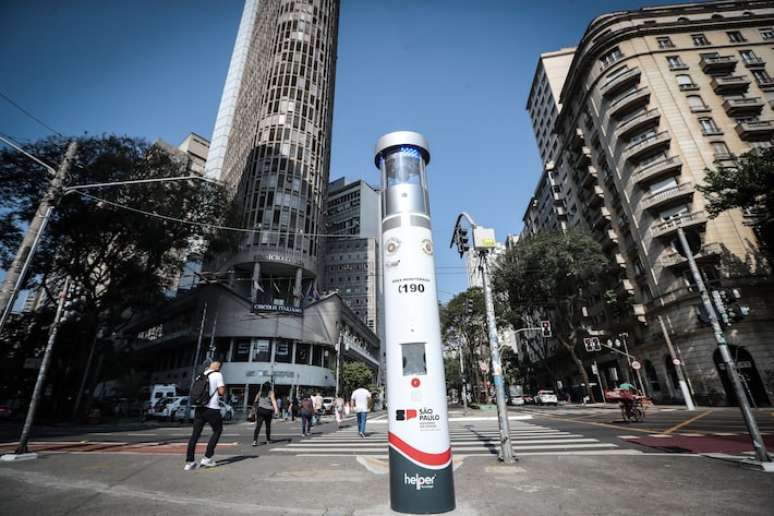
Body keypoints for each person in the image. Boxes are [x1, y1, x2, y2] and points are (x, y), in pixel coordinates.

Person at [185, 361, 225, 471]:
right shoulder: (218, 375)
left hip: (199, 408)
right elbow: (221, 392)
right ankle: (207, 458)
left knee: (195, 435)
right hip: (212, 408)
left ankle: (190, 462)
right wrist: (219, 389)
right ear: (218, 367)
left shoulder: (200, 375)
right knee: (217, 430)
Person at [252, 381, 278, 446]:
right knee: (268, 426)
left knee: (258, 426)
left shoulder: (260, 392)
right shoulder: (271, 393)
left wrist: (254, 410)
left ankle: (254, 441)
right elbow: (273, 401)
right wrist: (276, 410)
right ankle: (268, 440)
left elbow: (255, 401)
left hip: (260, 410)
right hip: (268, 411)